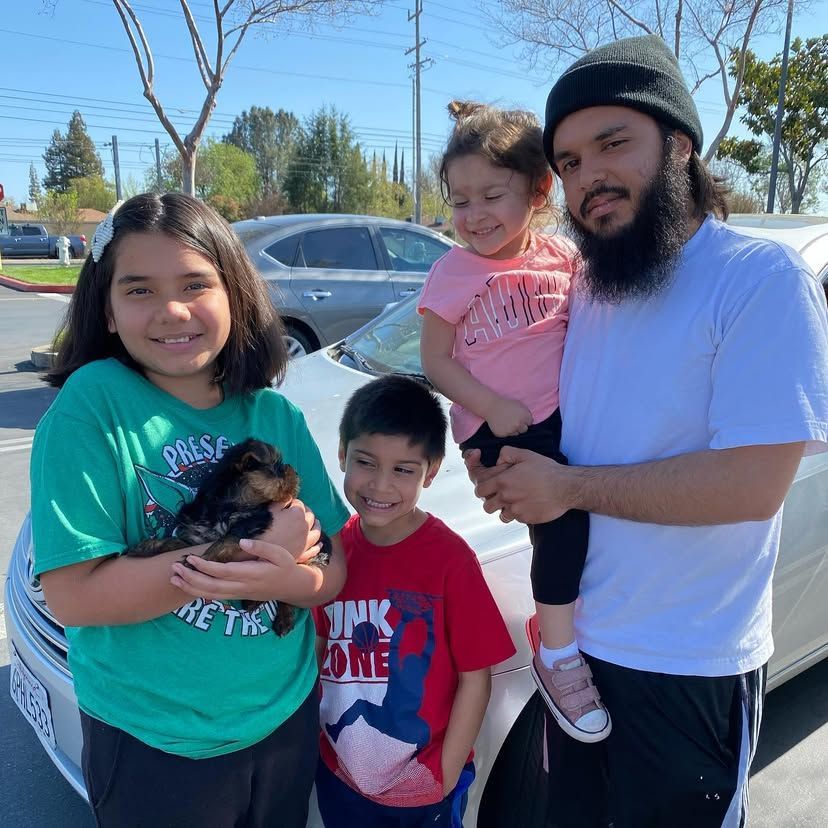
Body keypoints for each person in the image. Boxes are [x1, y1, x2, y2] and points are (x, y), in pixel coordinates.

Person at [467, 35, 828, 827]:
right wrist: (502, 468)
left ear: (680, 143)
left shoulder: (759, 280)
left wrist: (565, 487)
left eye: (612, 143)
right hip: (576, 654)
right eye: (566, 162)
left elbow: (752, 484)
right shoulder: (589, 284)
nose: (588, 175)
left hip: (688, 667)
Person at [30, 192, 350, 828]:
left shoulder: (273, 413)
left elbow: (335, 568)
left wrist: (294, 579)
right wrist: (251, 548)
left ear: (234, 292)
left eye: (196, 283)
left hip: (282, 717)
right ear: (108, 310)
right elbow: (76, 597)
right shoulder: (94, 406)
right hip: (154, 738)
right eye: (139, 289)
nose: (172, 310)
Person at [417, 100, 610, 743]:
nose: (472, 217)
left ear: (538, 189)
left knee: (588, 521)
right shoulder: (453, 271)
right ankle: (556, 654)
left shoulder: (563, 258)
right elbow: (434, 361)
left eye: (491, 196)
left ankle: (559, 624)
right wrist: (494, 409)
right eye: (459, 200)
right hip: (496, 425)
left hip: (557, 421)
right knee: (563, 522)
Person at [313, 374, 516, 827]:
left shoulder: (449, 560)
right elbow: (318, 649)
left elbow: (474, 678)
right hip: (340, 776)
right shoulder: (332, 553)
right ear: (343, 453)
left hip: (424, 785)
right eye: (366, 463)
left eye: (403, 469)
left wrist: (443, 777)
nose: (381, 486)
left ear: (432, 469)